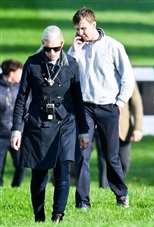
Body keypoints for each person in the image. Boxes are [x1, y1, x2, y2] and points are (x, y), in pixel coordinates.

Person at [10, 25, 89, 223]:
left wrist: (84, 132)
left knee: (63, 170)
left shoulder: (71, 64)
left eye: (55, 48)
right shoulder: (33, 63)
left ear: (62, 44)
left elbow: (78, 100)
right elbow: (21, 98)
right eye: (46, 49)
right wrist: (16, 130)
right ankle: (39, 216)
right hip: (38, 123)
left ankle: (58, 216)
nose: (51, 53)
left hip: (65, 123)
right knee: (39, 175)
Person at [68, 7, 135, 209]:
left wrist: (120, 103)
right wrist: (74, 52)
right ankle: (82, 201)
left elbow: (127, 77)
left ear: (93, 24)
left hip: (108, 107)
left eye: (83, 28)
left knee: (111, 156)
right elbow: (67, 72)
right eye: (77, 29)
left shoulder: (113, 46)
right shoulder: (76, 48)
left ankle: (121, 195)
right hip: (84, 108)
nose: (80, 33)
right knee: (82, 155)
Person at [96, 83, 143, 188]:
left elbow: (137, 103)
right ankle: (105, 188)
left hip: (123, 129)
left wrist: (138, 128)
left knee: (124, 162)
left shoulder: (127, 77)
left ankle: (118, 185)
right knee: (104, 160)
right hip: (103, 126)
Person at [0, 59, 25, 187]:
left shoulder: (21, 88)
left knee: (21, 165)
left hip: (17, 133)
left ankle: (16, 187)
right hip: (1, 135)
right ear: (11, 72)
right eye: (19, 72)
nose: (21, 75)